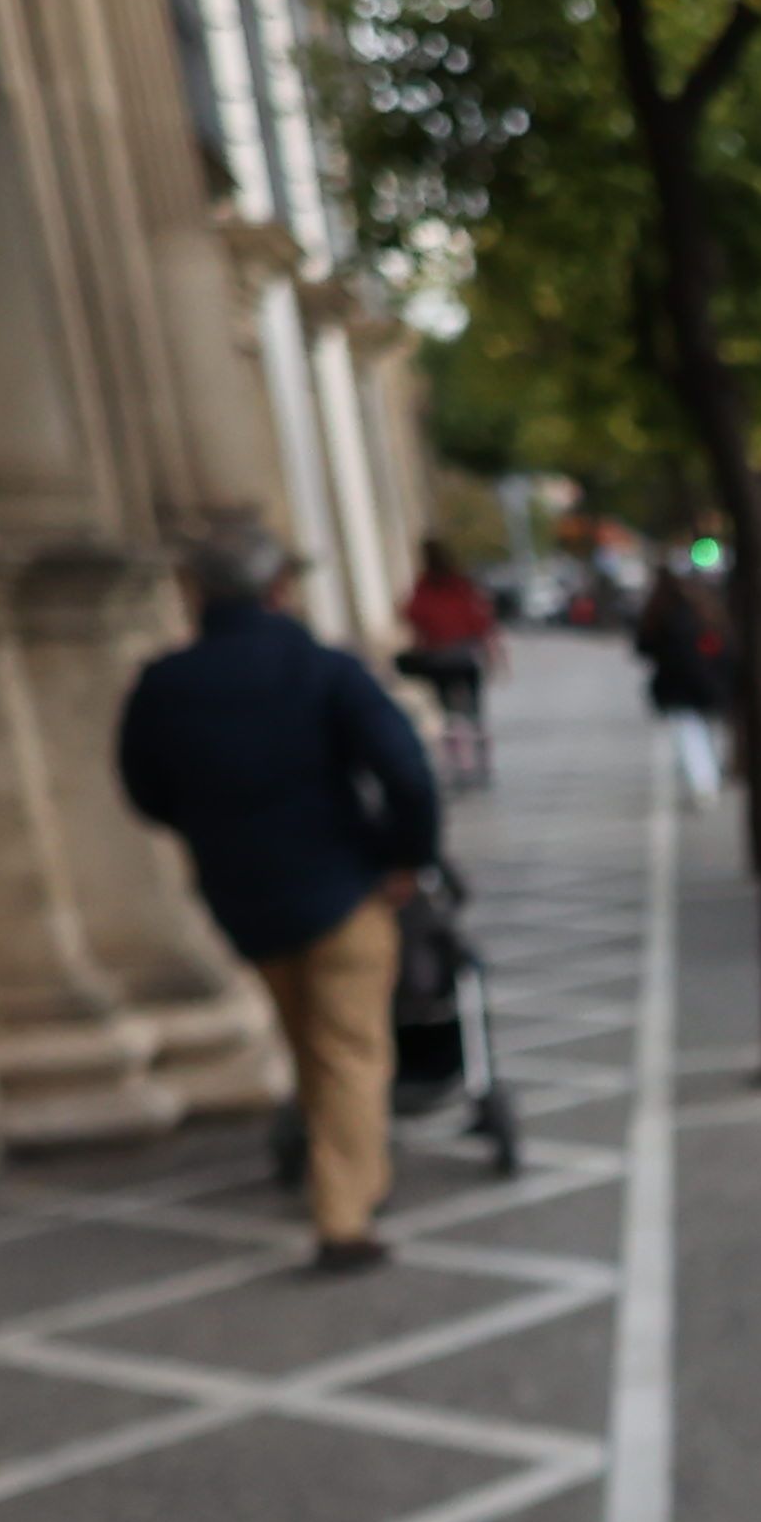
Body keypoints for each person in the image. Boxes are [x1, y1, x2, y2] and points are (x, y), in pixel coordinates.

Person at [115, 526, 444, 1274]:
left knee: (308, 1040)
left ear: (195, 594)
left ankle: (340, 1167)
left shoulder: (164, 684)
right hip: (342, 887)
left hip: (244, 895)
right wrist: (407, 857)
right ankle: (344, 1215)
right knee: (352, 1049)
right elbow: (407, 770)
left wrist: (213, 830)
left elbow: (144, 791)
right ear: (279, 590)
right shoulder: (320, 668)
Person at [396, 536, 503, 788]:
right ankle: (481, 760)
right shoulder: (461, 584)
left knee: (448, 713)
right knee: (474, 711)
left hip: (437, 657)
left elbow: (412, 613)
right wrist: (491, 652)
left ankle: (458, 764)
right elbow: (480, 618)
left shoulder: (424, 586)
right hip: (466, 655)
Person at [632, 558, 730, 814]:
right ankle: (707, 783)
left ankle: (705, 785)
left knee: (692, 736)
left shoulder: (662, 611)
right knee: (698, 735)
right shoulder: (698, 609)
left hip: (682, 687)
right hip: (696, 685)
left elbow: (644, 646)